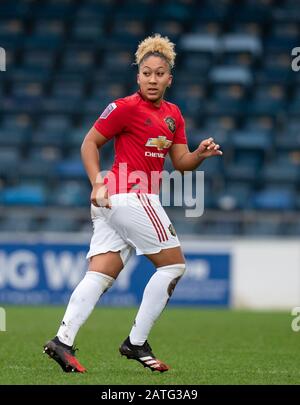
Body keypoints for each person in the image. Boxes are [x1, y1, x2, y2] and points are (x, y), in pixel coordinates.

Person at [43, 34, 222, 373]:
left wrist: (199, 154)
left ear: (170, 78)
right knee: (173, 266)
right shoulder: (124, 107)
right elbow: (89, 143)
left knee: (102, 272)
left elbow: (181, 162)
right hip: (129, 193)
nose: (152, 79)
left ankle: (62, 341)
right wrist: (97, 181)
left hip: (118, 200)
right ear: (137, 76)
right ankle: (136, 342)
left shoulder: (173, 115)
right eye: (146, 73)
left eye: (159, 74)